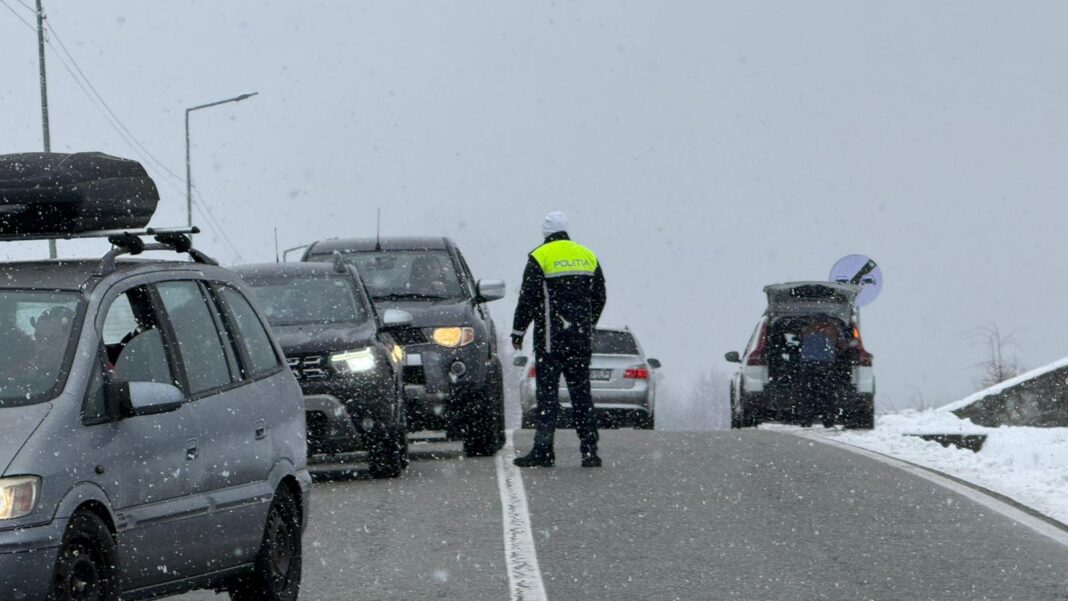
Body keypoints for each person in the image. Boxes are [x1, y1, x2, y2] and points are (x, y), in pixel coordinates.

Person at [511, 211, 607, 467]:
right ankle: (589, 451)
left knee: (548, 397)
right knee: (581, 395)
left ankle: (544, 450)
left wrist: (518, 331)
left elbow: (528, 298)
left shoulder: (540, 256)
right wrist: (587, 324)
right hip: (580, 340)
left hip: (550, 341)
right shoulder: (587, 255)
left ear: (545, 232)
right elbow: (600, 296)